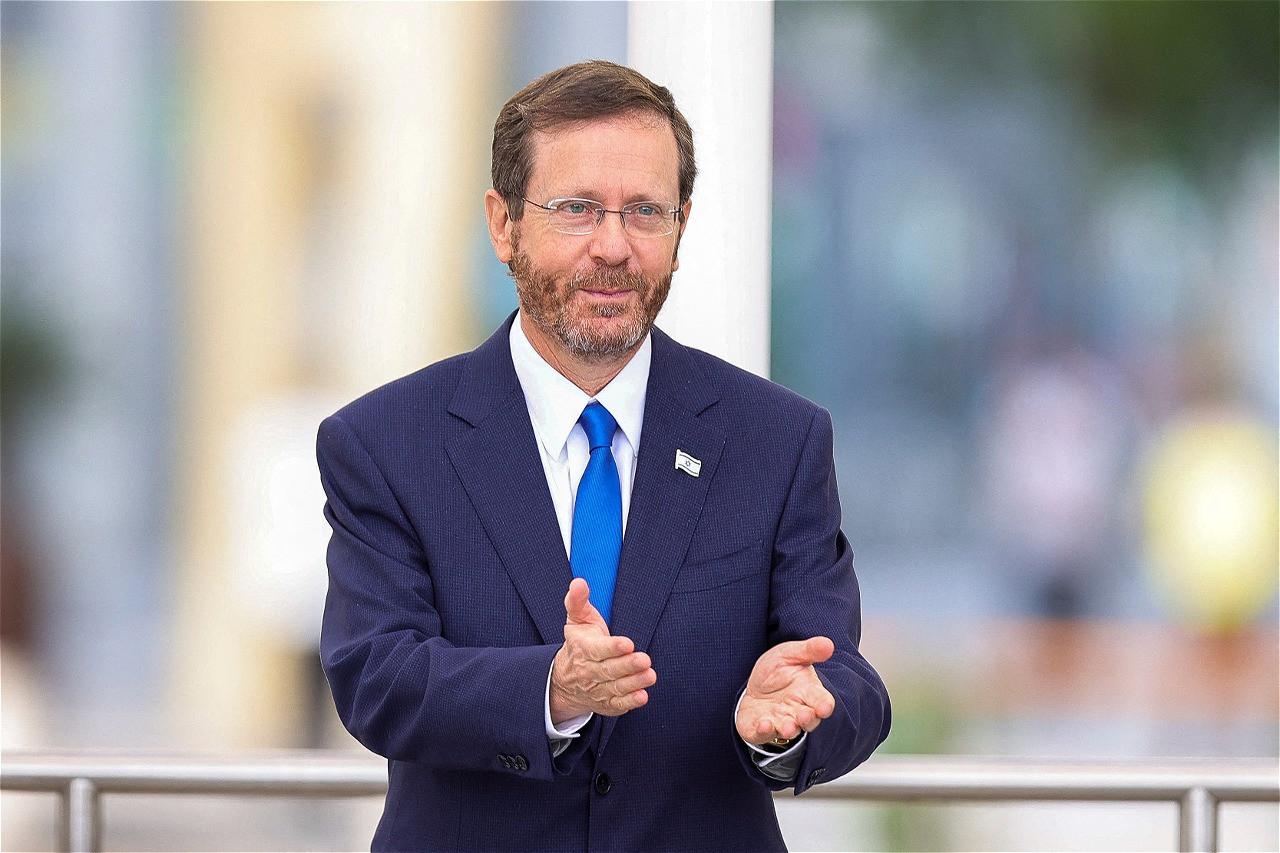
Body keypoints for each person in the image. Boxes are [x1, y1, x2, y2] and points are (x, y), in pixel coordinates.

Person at [318, 59, 890, 852]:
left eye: (646, 211)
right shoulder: (386, 441)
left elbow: (846, 678)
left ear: (680, 228)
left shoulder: (776, 440)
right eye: (579, 209)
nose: (614, 246)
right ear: (503, 223)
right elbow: (376, 675)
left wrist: (792, 718)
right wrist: (549, 688)